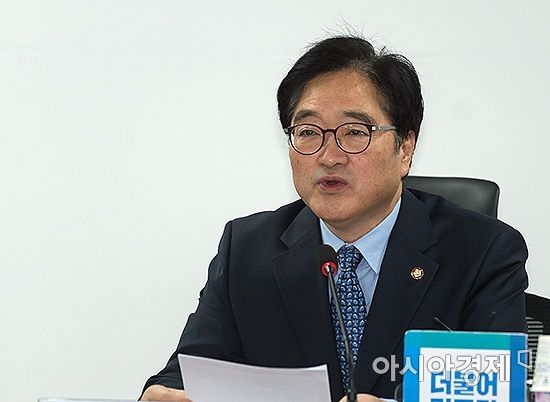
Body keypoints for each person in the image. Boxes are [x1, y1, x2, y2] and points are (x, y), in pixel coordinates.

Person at [140, 36, 528, 402]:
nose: (329, 156)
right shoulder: (246, 249)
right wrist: (167, 392)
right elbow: (190, 373)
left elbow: (495, 393)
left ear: (405, 148)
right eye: (308, 132)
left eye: (355, 132)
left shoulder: (482, 253)